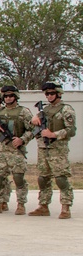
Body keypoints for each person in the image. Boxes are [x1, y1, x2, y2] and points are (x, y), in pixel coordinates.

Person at [29, 83, 76, 219]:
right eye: (47, 94)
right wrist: (34, 119)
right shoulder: (45, 110)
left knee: (61, 178)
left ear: (59, 94)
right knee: (43, 178)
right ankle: (43, 205)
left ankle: (66, 207)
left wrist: (53, 134)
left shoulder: (66, 109)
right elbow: (33, 124)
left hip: (58, 149)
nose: (49, 96)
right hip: (43, 148)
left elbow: (71, 130)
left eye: (51, 93)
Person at [0, 86, 34, 215]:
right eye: (5, 96)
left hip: (16, 149)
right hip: (1, 149)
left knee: (18, 177)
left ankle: (21, 204)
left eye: (10, 96)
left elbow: (33, 129)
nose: (8, 98)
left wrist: (22, 139)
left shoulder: (23, 112)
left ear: (16, 97)